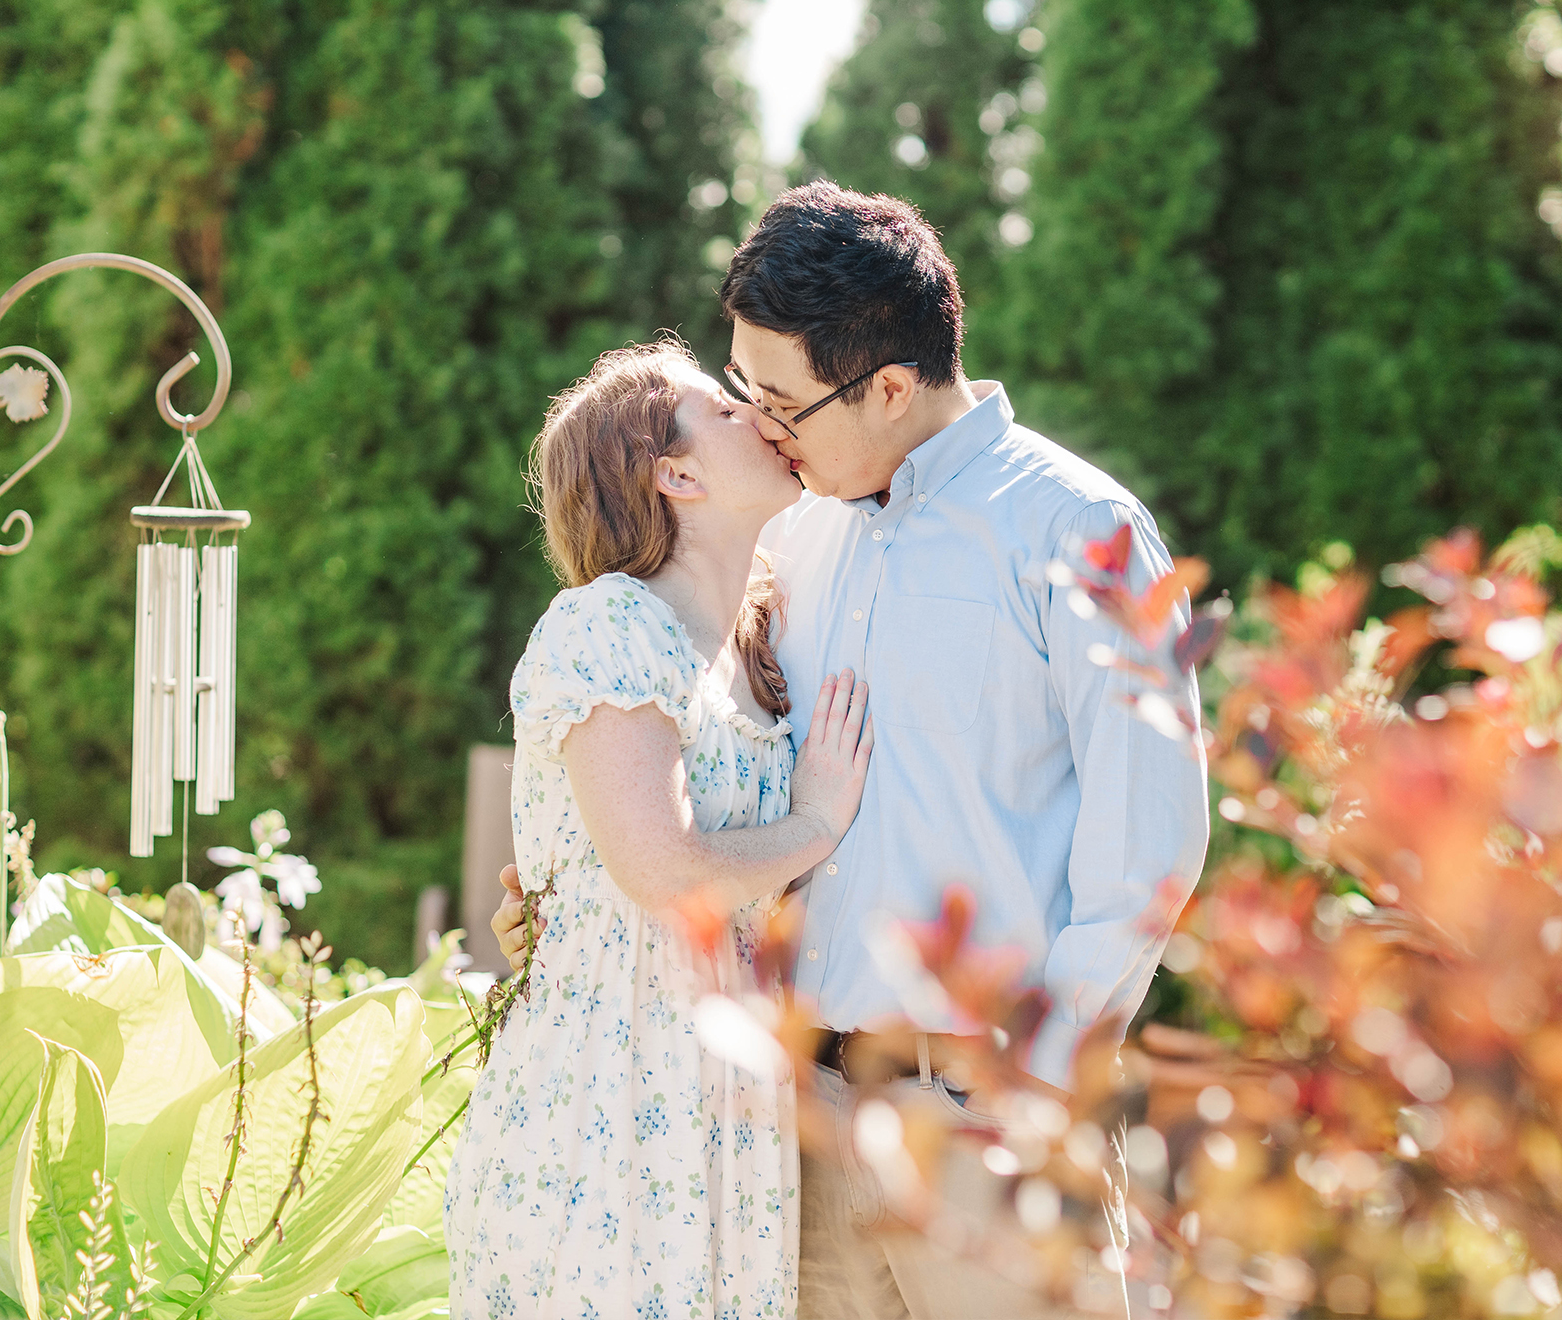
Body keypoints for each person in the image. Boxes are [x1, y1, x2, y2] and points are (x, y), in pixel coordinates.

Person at [495, 182, 1208, 1319]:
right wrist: (574, 890)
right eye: (743, 394)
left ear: (886, 385)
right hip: (788, 1150)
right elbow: (693, 769)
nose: (763, 425)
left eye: (780, 399)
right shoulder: (790, 535)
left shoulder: (1083, 531)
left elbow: (1149, 850)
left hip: (985, 1135)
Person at [444, 339, 875, 1320]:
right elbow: (661, 866)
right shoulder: (605, 625)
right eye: (724, 410)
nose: (760, 415)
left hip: (717, 1111)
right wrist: (815, 819)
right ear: (673, 473)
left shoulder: (755, 649)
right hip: (601, 1100)